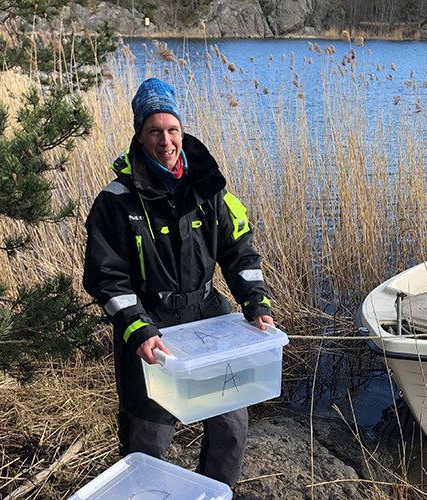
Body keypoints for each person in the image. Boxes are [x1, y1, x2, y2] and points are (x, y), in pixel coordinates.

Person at [83, 77, 274, 487]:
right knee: (148, 440)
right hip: (150, 328)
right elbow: (105, 277)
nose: (165, 141)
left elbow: (239, 251)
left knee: (231, 426)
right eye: (154, 131)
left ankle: (216, 493)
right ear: (139, 134)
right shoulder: (115, 201)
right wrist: (137, 327)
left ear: (182, 131)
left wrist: (256, 303)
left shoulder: (211, 191)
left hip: (210, 320)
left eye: (172, 130)